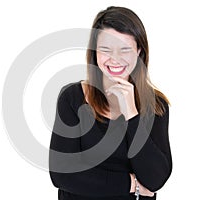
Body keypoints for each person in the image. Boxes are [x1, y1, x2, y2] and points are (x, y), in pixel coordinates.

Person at [49, 6, 172, 200]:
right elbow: (62, 174)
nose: (115, 59)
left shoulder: (156, 105)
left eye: (125, 49)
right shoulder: (72, 97)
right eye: (106, 49)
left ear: (139, 51)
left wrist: (132, 114)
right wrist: (132, 184)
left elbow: (155, 179)